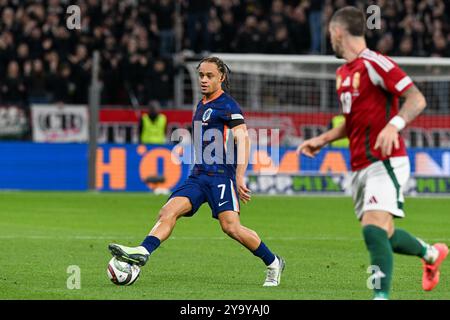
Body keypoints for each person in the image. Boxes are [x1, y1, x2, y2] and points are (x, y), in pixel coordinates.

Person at [297, 6, 448, 300]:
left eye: (330, 34)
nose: (330, 40)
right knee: (385, 234)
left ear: (338, 32)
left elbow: (416, 98)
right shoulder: (343, 74)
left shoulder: (375, 63)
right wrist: (323, 139)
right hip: (360, 165)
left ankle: (380, 297)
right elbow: (352, 122)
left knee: (372, 229)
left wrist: (394, 125)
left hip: (386, 160)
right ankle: (431, 254)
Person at [109, 57, 285, 287]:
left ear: (221, 77)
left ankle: (273, 262)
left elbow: (244, 140)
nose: (203, 79)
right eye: (201, 75)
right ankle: (143, 250)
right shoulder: (202, 104)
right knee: (167, 211)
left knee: (231, 227)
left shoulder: (228, 105)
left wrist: (239, 176)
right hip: (198, 175)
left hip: (221, 176)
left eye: (209, 75)